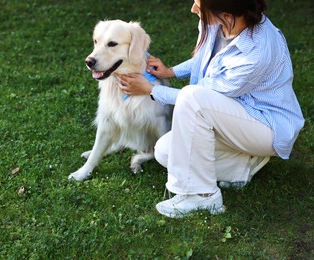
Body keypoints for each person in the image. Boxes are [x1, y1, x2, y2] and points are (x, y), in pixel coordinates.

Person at [117, 0, 305, 218]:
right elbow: (207, 58)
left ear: (225, 15)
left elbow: (201, 97)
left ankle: (202, 196)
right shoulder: (220, 23)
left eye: (198, 4)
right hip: (231, 115)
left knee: (192, 98)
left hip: (266, 126)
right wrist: (170, 72)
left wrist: (150, 90)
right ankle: (243, 166)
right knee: (165, 152)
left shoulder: (256, 52)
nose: (193, 8)